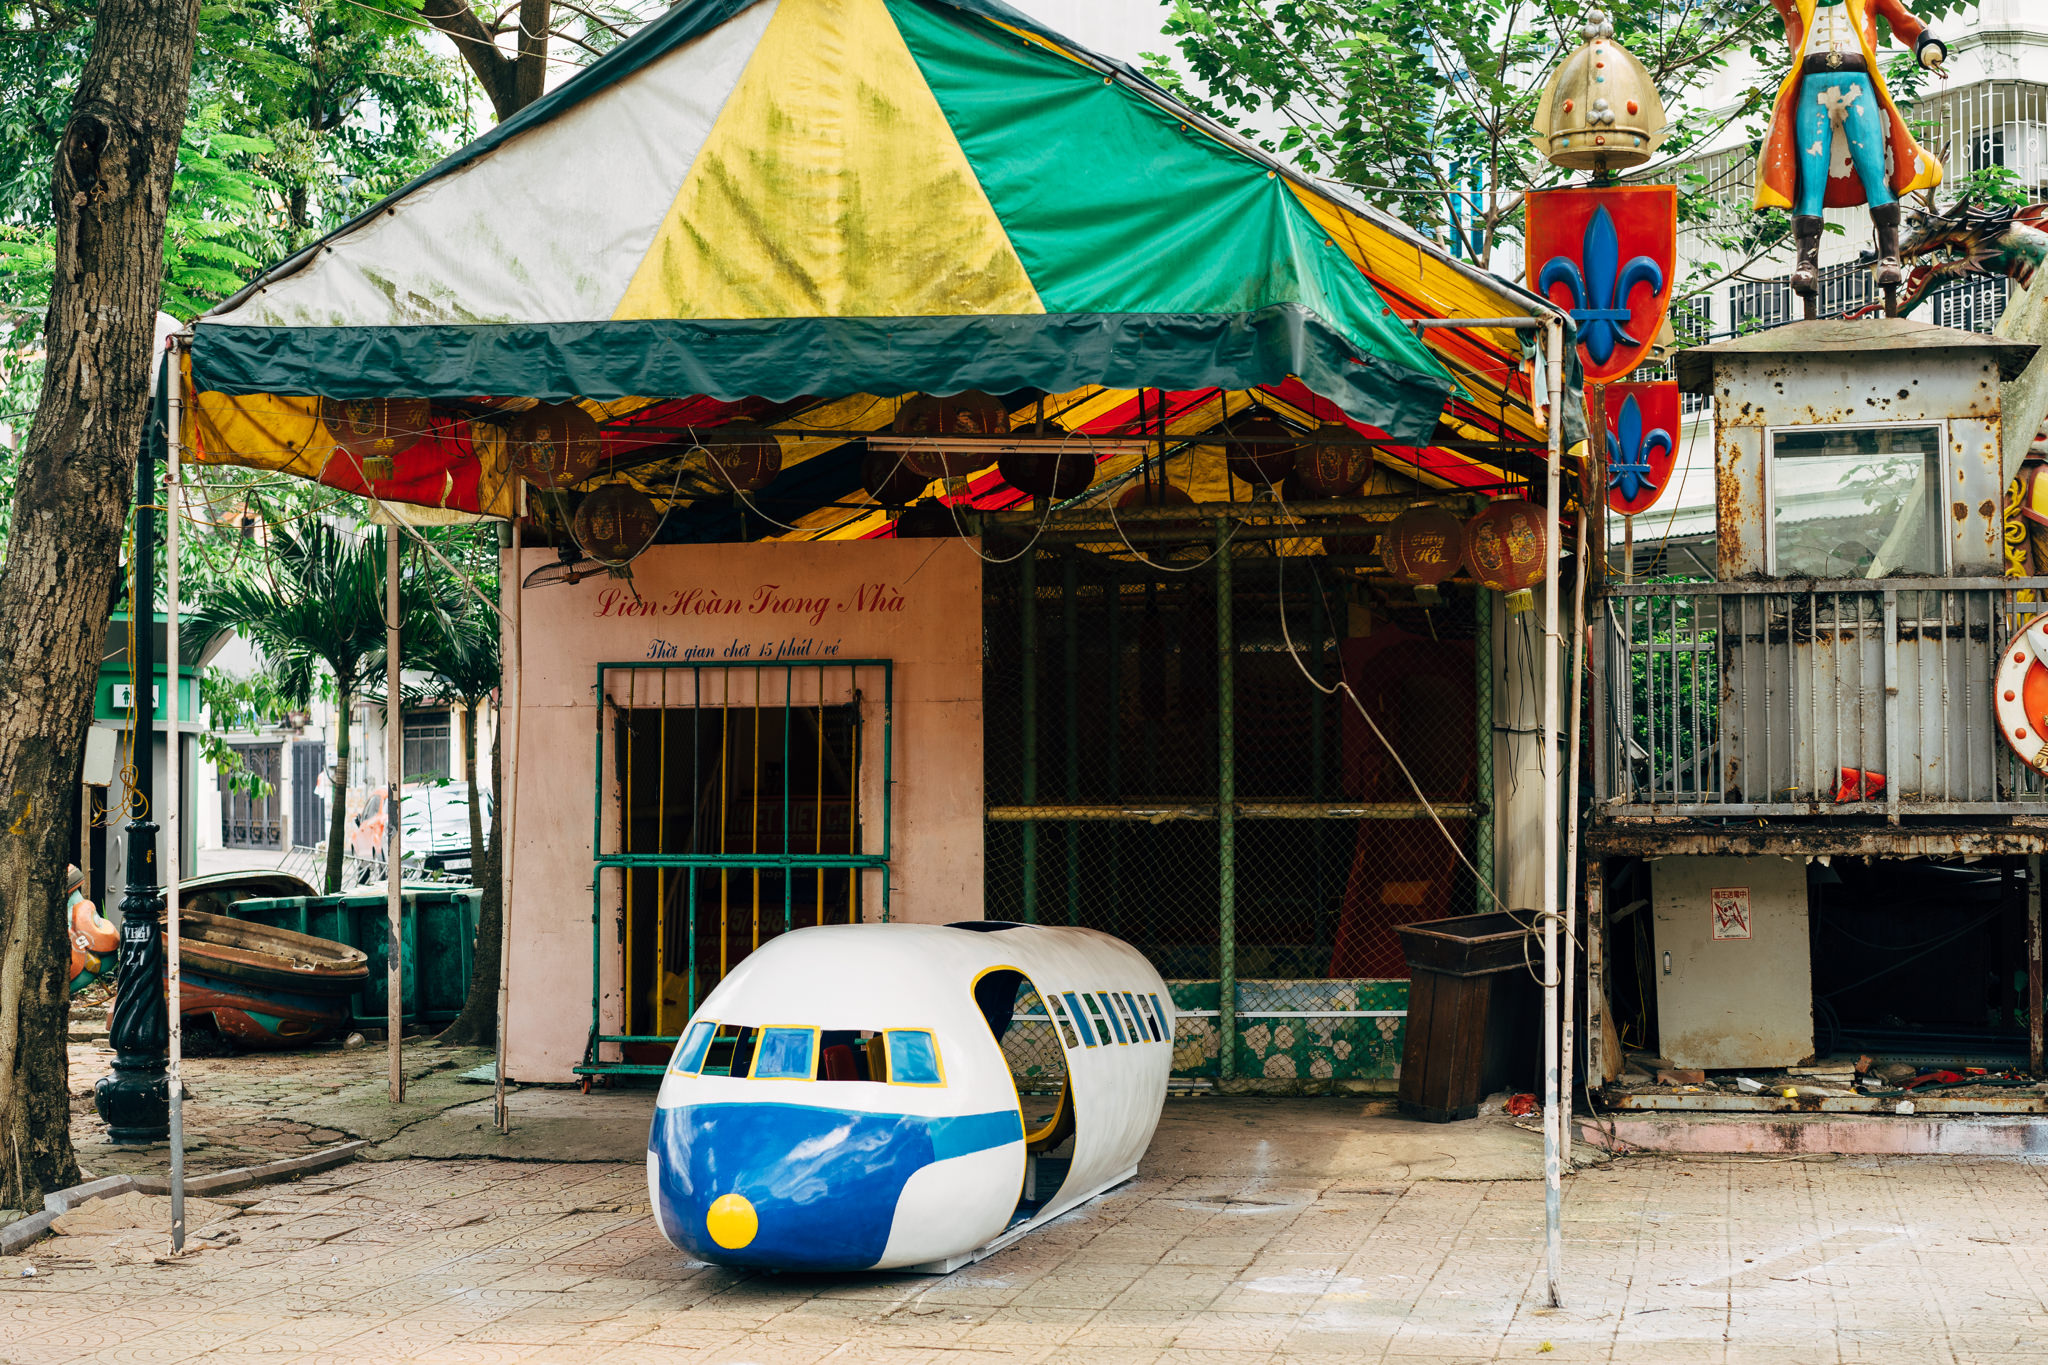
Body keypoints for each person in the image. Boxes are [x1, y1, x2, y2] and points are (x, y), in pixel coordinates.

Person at [1754, 0, 1947, 297]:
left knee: (1874, 168)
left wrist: (1927, 45)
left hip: (1857, 84)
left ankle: (1889, 256)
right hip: (1811, 87)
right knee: (1811, 177)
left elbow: (1903, 19)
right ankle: (1806, 263)